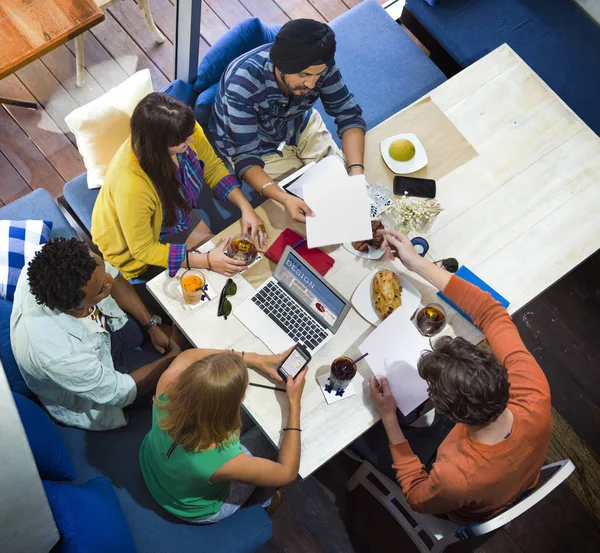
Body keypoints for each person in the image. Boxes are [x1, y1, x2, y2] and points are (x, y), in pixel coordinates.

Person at [357, 230, 552, 523]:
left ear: (448, 413)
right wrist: (417, 263)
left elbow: (415, 494)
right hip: (516, 471)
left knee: (360, 441)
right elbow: (490, 311)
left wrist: (388, 417)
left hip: (462, 505)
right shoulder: (534, 389)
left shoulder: (456, 476)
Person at [10, 237, 181, 430]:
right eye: (102, 289)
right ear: (73, 306)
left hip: (105, 327)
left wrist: (151, 325)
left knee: (173, 309)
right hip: (101, 371)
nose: (109, 279)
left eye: (99, 264)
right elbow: (119, 392)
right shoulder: (63, 355)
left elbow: (113, 278)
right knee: (181, 378)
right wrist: (174, 357)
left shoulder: (55, 258)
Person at [92, 92, 266, 282]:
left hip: (175, 214)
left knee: (222, 257)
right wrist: (206, 261)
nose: (191, 140)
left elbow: (213, 167)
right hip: (134, 246)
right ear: (157, 146)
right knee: (214, 270)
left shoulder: (182, 130)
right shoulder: (132, 185)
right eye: (182, 141)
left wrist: (245, 208)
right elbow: (143, 249)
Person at [209, 18, 367, 225]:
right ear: (280, 66)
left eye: (317, 76)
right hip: (258, 148)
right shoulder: (241, 87)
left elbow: (348, 113)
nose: (311, 83)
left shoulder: (320, 65)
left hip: (300, 124)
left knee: (344, 190)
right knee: (311, 211)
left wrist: (356, 172)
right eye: (304, 75)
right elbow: (245, 157)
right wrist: (285, 199)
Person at [139, 347, 307, 523]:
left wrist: (255, 358)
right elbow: (287, 473)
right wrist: (294, 403)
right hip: (190, 507)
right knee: (269, 438)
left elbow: (188, 355)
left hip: (153, 466)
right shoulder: (224, 460)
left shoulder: (167, 385)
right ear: (228, 409)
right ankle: (264, 500)